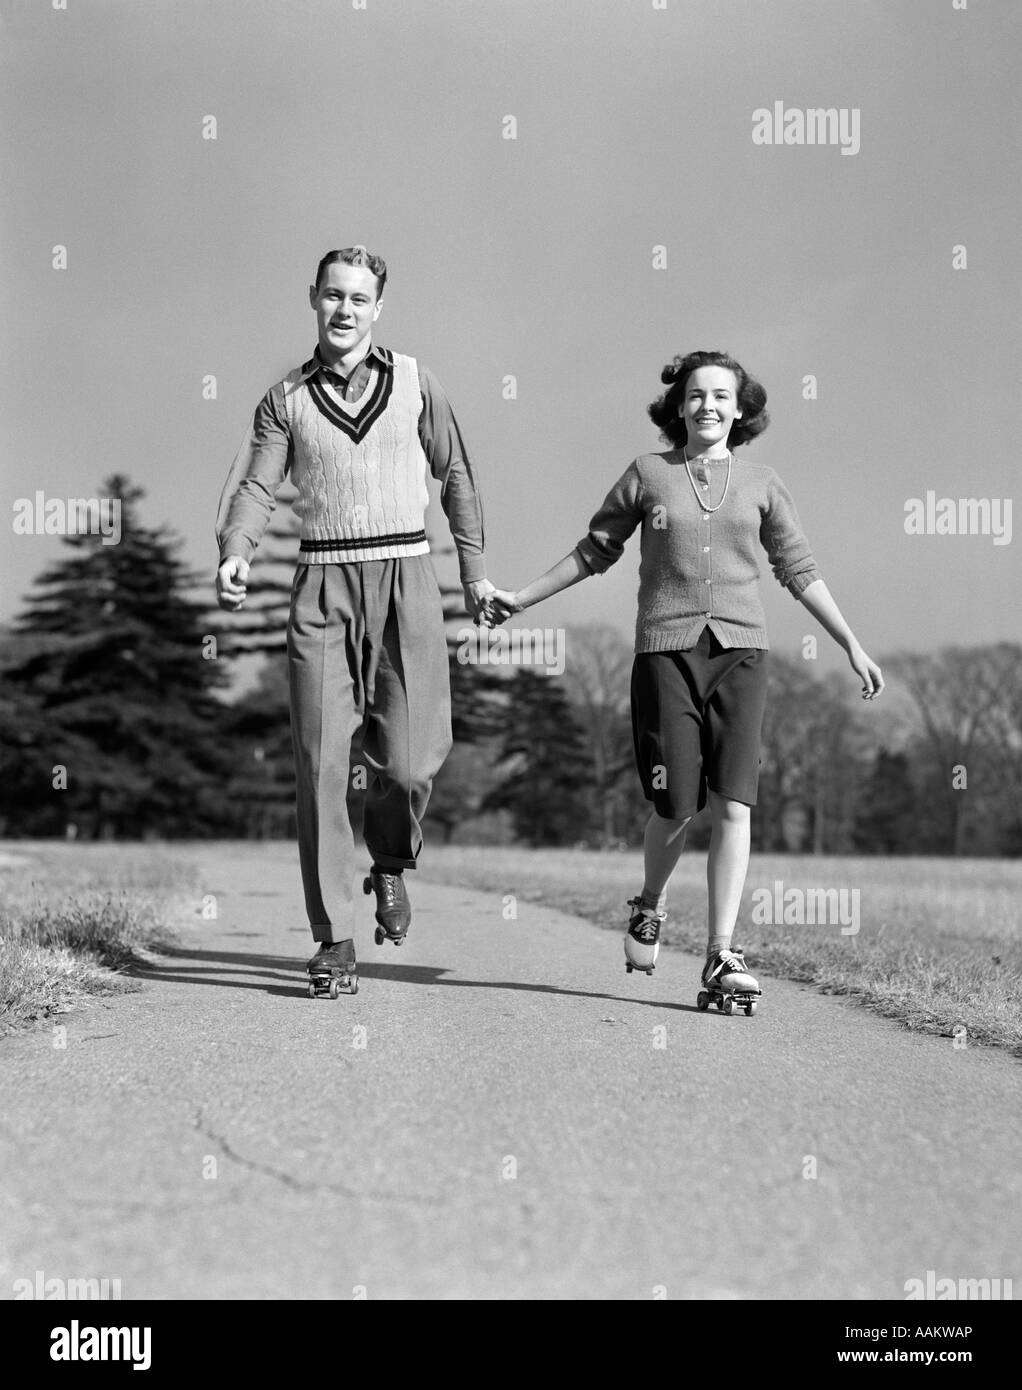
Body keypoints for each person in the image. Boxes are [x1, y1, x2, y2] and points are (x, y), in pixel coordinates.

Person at [485, 350, 883, 1008]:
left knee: (733, 803)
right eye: (696, 395)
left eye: (721, 396)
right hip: (666, 654)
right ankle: (648, 902)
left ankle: (721, 952)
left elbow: (799, 568)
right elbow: (594, 550)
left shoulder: (762, 482)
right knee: (676, 804)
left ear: (741, 408)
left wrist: (851, 643)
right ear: (678, 406)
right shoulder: (648, 475)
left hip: (741, 655)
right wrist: (523, 598)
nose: (707, 406)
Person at [215, 245, 494, 994]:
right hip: (321, 587)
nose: (344, 309)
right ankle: (333, 938)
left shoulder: (415, 384)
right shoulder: (284, 400)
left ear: (379, 307)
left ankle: (392, 862)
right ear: (313, 297)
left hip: (407, 580)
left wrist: (472, 570)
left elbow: (456, 474)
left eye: (359, 298)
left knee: (405, 763)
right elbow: (255, 484)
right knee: (320, 765)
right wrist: (236, 550)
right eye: (332, 295)